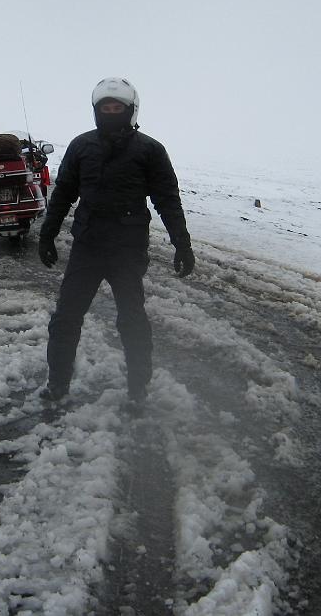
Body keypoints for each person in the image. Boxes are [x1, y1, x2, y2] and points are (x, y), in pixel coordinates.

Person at [37, 77, 195, 408]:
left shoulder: (150, 150)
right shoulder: (81, 146)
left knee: (131, 318)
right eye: (105, 108)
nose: (111, 113)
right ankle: (57, 385)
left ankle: (139, 388)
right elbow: (64, 192)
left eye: (117, 108)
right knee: (66, 318)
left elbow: (167, 199)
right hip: (87, 247)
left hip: (127, 250)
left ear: (130, 110)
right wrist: (47, 233)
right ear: (96, 111)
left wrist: (182, 243)